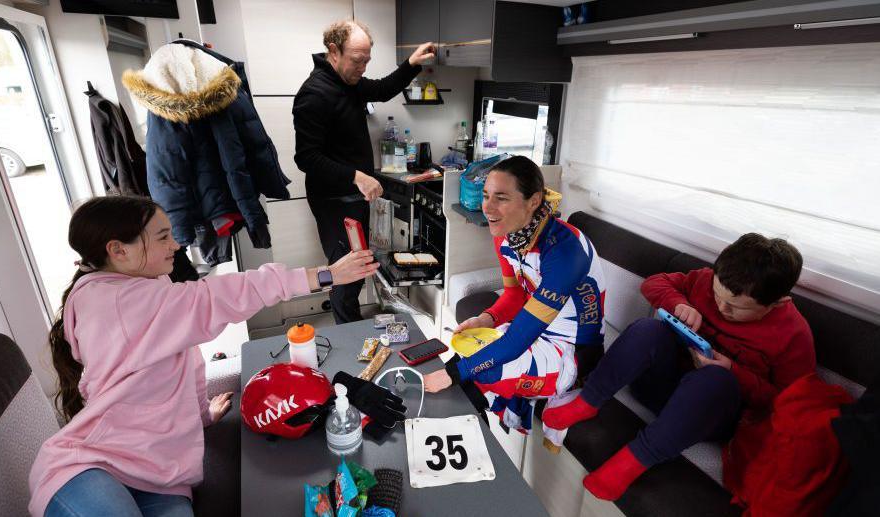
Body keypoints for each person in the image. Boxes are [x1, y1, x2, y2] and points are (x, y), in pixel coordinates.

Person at [28, 196, 378, 517]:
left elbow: (172, 368)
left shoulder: (138, 290)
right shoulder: (118, 302)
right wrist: (326, 274)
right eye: (163, 237)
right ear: (119, 251)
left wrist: (199, 415)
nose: (176, 244)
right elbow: (220, 295)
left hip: (160, 476)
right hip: (94, 466)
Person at [542, 233, 816, 501]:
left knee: (715, 380)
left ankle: (633, 461)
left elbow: (789, 404)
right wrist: (679, 303)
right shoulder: (704, 280)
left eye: (735, 307)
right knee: (648, 329)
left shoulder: (794, 334)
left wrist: (732, 370)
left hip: (708, 416)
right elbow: (654, 284)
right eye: (717, 294)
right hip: (660, 387)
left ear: (779, 301)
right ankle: (587, 402)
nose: (721, 307)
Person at [423, 156, 607, 448]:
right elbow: (516, 295)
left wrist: (453, 373)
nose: (488, 207)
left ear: (534, 201)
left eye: (501, 198)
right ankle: (467, 454)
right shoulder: (507, 235)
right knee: (469, 367)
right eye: (486, 196)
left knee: (478, 369)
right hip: (535, 331)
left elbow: (517, 341)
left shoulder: (565, 252)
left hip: (571, 351)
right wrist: (485, 320)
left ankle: (480, 464)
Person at [293, 20, 435, 324]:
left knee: (355, 271)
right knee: (346, 276)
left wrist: (411, 64)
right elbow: (306, 158)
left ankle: (352, 332)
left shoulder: (350, 84)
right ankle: (349, 339)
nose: (363, 67)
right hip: (334, 202)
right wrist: (356, 176)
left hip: (352, 198)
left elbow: (382, 89)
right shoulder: (314, 95)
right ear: (333, 51)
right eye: (358, 60)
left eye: (367, 60)